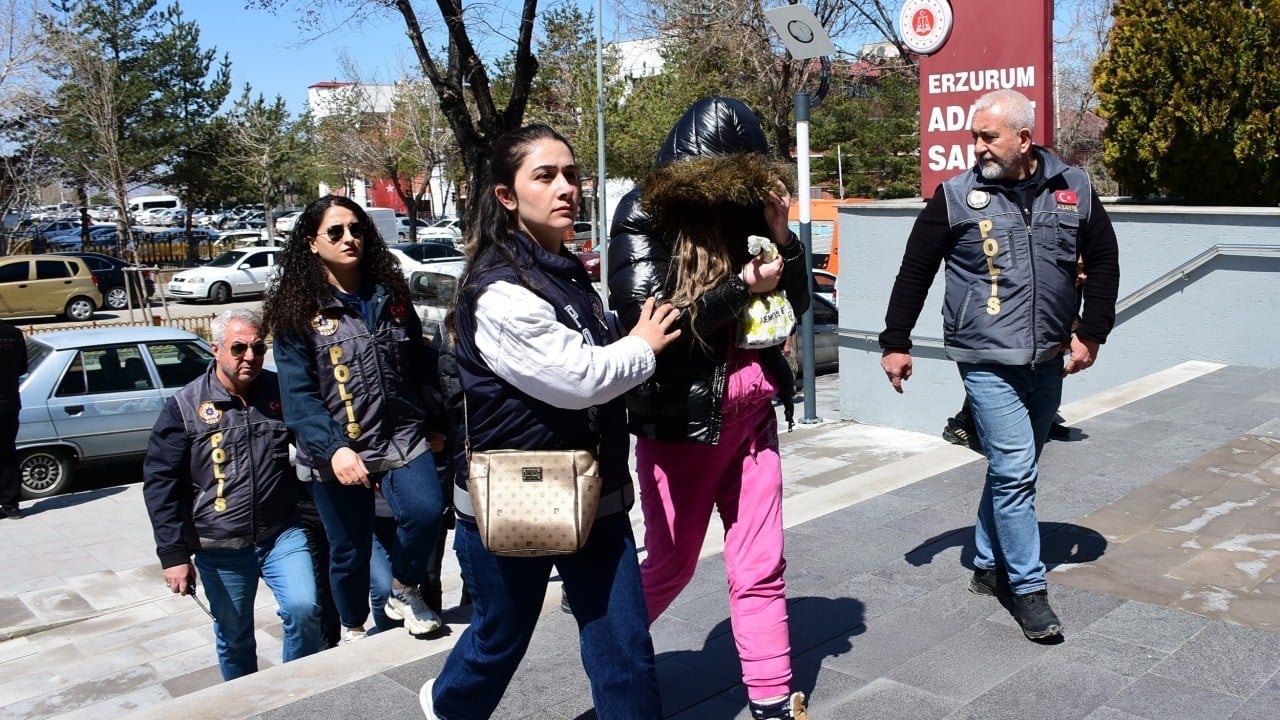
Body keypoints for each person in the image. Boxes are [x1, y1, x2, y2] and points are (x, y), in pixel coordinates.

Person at [418, 123, 681, 720]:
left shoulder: (564, 269)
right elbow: (579, 379)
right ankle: (446, 706)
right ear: (506, 196)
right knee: (499, 639)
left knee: (624, 647)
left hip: (594, 492)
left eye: (571, 174)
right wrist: (642, 345)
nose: (566, 187)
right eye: (545, 176)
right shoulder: (499, 291)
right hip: (519, 493)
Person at [879, 89, 1120, 641]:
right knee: (1016, 470)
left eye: (988, 137)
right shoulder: (956, 196)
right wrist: (895, 342)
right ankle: (1026, 587)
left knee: (1018, 466)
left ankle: (987, 561)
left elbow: (1104, 261)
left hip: (1051, 357)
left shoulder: (1074, 189)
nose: (978, 147)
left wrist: (1092, 333)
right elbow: (914, 272)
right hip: (985, 357)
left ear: (1024, 140)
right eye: (974, 137)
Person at [608, 96, 812, 720]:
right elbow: (658, 325)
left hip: (753, 420)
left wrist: (783, 236)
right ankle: (609, 652)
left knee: (761, 565)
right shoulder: (643, 212)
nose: (728, 197)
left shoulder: (751, 214)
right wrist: (740, 286)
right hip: (682, 427)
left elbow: (796, 304)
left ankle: (772, 699)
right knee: (670, 564)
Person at [263, 195, 447, 643]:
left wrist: (438, 416)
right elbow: (299, 397)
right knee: (350, 550)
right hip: (336, 450)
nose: (350, 238)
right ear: (311, 243)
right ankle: (352, 627)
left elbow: (418, 362)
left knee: (425, 513)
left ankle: (404, 589)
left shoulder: (391, 293)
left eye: (357, 229)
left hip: (400, 435)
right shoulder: (295, 311)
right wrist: (335, 449)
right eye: (336, 232)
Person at [142, 308, 321, 680]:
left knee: (304, 609)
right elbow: (161, 483)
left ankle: (296, 697)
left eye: (259, 348)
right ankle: (248, 703)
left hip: (281, 534)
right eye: (239, 348)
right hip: (219, 545)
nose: (250, 357)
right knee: (235, 636)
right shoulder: (184, 407)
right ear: (215, 349)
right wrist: (173, 554)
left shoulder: (279, 392)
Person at [0, 320, 27, 519]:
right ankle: (10, 505)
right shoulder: (14, 333)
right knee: (8, 451)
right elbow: (21, 368)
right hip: (9, 403)